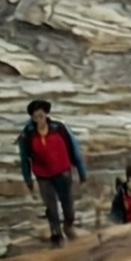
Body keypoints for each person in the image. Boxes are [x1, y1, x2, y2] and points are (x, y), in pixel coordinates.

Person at [17, 99, 86, 246]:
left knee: (68, 205)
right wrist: (27, 178)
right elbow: (24, 158)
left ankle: (68, 226)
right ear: (32, 118)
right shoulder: (28, 135)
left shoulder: (59, 129)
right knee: (51, 207)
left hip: (63, 173)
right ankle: (56, 234)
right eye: (35, 116)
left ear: (46, 114)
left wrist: (81, 171)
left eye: (41, 114)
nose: (39, 118)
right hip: (43, 176)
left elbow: (74, 149)